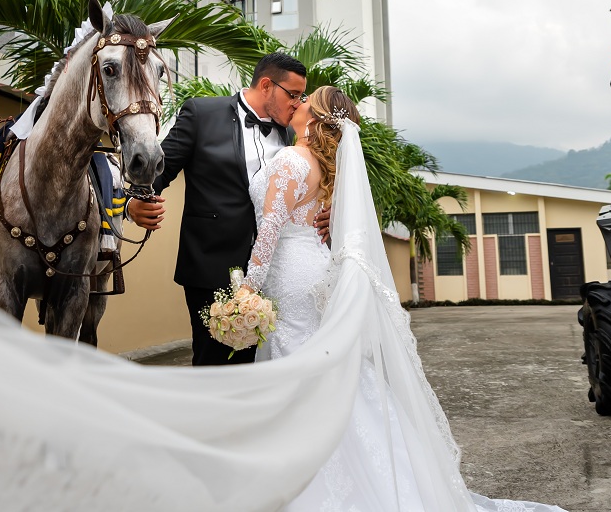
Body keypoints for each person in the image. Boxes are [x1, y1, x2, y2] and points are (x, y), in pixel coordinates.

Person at [240, 86, 566, 511]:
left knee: (299, 373)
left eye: (305, 102)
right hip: (316, 273)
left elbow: (269, 231)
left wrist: (247, 288)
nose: (297, 104)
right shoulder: (328, 168)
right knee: (331, 376)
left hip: (288, 278)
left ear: (317, 121)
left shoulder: (289, 160)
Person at [127, 51, 319, 366]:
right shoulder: (202, 113)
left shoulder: (290, 134)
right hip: (211, 264)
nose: (298, 104)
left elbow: (301, 190)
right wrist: (134, 202)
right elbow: (161, 168)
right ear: (267, 86)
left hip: (274, 270)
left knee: (263, 363)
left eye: (302, 97)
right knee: (213, 365)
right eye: (294, 95)